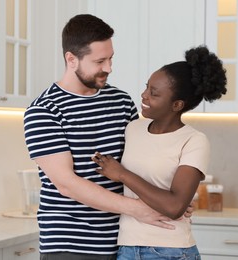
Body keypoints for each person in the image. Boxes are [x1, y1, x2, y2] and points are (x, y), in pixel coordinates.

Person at [23, 14, 193, 260]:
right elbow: (66, 184)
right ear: (71, 59)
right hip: (71, 246)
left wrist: (170, 201)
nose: (109, 68)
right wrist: (139, 209)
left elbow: (138, 162)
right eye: (99, 61)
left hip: (126, 242)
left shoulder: (121, 101)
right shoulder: (44, 110)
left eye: (111, 58)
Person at [92, 45, 227, 259]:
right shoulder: (133, 129)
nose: (144, 95)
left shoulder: (194, 141)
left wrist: (122, 174)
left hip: (170, 250)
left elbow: (174, 206)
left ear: (177, 104)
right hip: (127, 248)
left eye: (154, 94)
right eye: (147, 87)